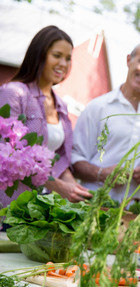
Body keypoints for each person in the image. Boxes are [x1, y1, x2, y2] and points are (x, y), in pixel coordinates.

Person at [0, 25, 92, 214]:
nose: (63, 64)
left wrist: (76, 190)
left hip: (39, 209)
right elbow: (7, 157)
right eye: (57, 55)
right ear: (39, 54)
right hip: (8, 205)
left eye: (68, 58)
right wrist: (57, 185)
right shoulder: (14, 93)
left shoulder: (61, 106)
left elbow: (59, 159)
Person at [71, 40, 140, 201]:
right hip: (91, 205)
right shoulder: (98, 107)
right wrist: (101, 173)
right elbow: (75, 158)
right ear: (129, 60)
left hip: (134, 213)